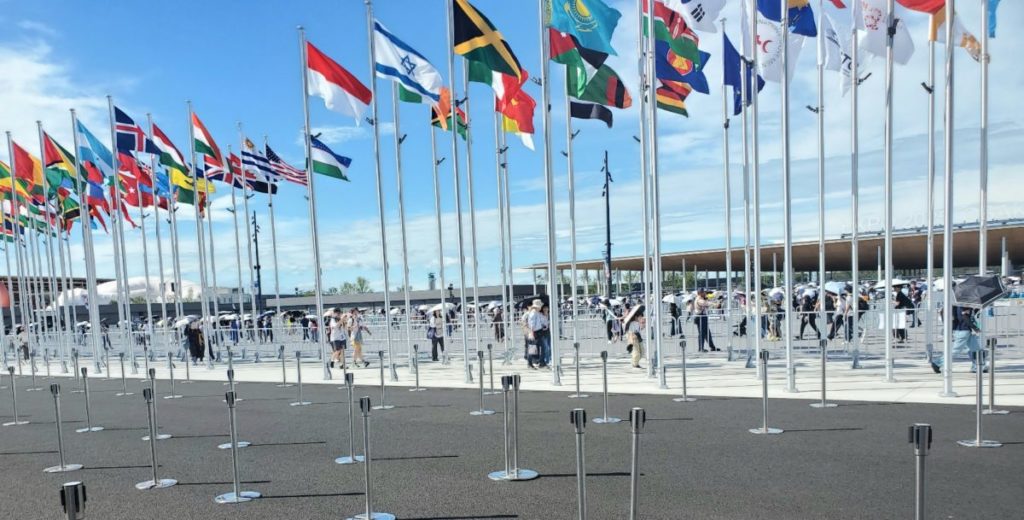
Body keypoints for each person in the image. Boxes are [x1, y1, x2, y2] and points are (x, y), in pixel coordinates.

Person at [932, 305, 986, 374]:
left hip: (963, 331)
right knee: (955, 351)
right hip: (963, 331)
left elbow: (968, 315)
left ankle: (977, 367)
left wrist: (976, 309)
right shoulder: (964, 305)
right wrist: (975, 328)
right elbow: (965, 317)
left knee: (976, 349)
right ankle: (937, 363)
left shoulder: (960, 305)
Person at [525, 299, 549, 369]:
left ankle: (539, 362)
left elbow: (537, 323)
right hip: (535, 332)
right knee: (533, 349)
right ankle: (531, 363)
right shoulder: (534, 313)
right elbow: (532, 325)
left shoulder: (536, 313)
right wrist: (531, 333)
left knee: (539, 348)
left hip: (537, 332)